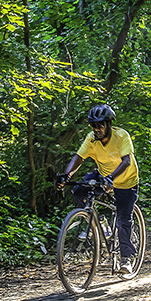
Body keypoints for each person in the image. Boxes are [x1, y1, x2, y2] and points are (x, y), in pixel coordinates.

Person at [55, 104, 140, 274]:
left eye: (100, 125)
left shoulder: (121, 136)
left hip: (125, 181)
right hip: (104, 176)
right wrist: (67, 175)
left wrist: (111, 179)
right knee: (79, 190)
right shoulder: (91, 139)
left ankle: (126, 259)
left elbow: (126, 162)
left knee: (124, 220)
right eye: (93, 125)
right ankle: (97, 222)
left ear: (109, 124)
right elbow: (78, 157)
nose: (96, 129)